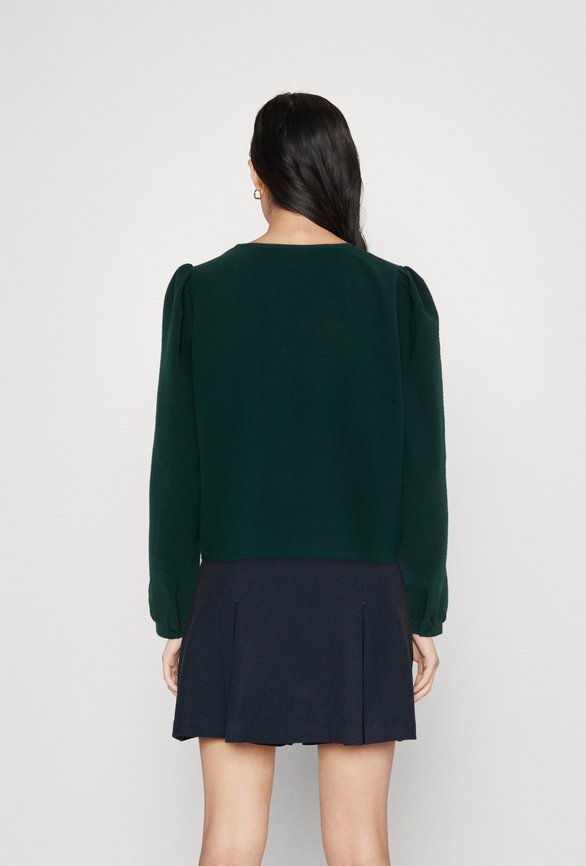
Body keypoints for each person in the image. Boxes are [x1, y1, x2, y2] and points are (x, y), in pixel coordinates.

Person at [148, 91, 449, 866]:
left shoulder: (201, 292)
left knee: (229, 838)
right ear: (341, 171)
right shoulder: (394, 295)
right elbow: (423, 469)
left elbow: (176, 465)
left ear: (256, 173)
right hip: (360, 598)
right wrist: (420, 608)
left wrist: (177, 609)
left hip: (236, 593)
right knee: (360, 843)